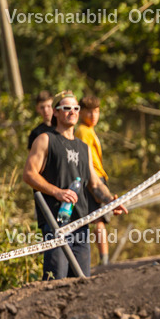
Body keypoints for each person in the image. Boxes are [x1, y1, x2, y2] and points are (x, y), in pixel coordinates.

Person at [23, 91, 126, 280]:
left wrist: (110, 201)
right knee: (56, 281)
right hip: (56, 223)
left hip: (81, 223)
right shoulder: (45, 139)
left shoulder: (83, 147)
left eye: (76, 108)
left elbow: (95, 184)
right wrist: (57, 192)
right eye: (67, 108)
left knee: (81, 283)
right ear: (56, 112)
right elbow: (29, 174)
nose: (72, 112)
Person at [74, 94, 112, 266]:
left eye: (96, 111)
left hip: (98, 176)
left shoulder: (89, 130)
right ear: (81, 112)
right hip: (93, 178)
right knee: (98, 220)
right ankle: (104, 260)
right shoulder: (83, 131)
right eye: (89, 112)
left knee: (99, 219)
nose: (93, 115)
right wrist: (93, 184)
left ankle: (103, 259)